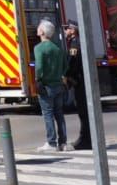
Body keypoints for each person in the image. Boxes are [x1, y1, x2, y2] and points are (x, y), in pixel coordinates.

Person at [32, 20, 68, 152]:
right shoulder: (57, 48)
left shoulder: (39, 48)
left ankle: (51, 142)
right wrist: (60, 74)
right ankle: (63, 142)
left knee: (48, 114)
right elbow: (65, 66)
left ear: (42, 32)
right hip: (58, 84)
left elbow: (39, 66)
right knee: (59, 114)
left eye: (38, 28)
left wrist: (38, 79)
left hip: (47, 86)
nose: (37, 30)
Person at [62, 20, 92, 149]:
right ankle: (86, 138)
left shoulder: (75, 44)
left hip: (79, 81)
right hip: (81, 80)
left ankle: (85, 140)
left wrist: (67, 75)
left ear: (73, 30)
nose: (65, 31)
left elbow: (72, 63)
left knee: (83, 111)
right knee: (84, 111)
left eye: (67, 28)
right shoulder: (77, 42)